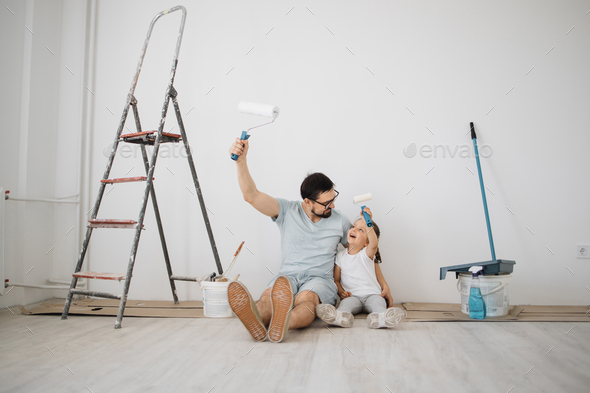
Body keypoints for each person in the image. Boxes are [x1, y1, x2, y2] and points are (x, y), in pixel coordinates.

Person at [227, 137, 351, 343]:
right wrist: (241, 161)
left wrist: (369, 230)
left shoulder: (340, 221)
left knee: (307, 299)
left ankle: (282, 323)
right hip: (287, 278)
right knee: (268, 297)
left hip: (319, 279)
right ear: (308, 202)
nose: (333, 207)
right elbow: (252, 196)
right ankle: (256, 319)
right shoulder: (286, 210)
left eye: (333, 200)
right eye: (327, 204)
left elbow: (355, 254)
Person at [315, 210, 406, 328]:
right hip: (352, 297)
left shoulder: (366, 254)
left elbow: (374, 243)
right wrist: (341, 291)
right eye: (353, 227)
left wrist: (368, 222)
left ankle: (381, 318)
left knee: (378, 304)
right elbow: (336, 280)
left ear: (366, 243)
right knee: (345, 305)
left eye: (360, 230)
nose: (354, 230)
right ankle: (340, 317)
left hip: (372, 295)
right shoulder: (341, 256)